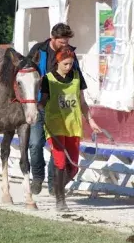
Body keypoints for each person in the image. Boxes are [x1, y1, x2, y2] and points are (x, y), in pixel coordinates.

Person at [38, 48, 102, 212]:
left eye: (71, 64)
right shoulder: (48, 79)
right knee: (59, 163)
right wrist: (36, 110)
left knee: (73, 167)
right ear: (57, 62)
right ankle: (61, 200)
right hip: (55, 126)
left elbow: (82, 102)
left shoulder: (76, 77)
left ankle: (57, 189)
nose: (68, 67)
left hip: (73, 126)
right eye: (65, 64)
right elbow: (43, 101)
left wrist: (91, 121)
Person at [26, 23, 85, 195]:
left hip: (60, 108)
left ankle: (53, 185)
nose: (64, 45)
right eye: (61, 42)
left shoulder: (70, 53)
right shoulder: (38, 49)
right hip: (40, 103)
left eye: (67, 41)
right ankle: (37, 177)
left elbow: (77, 77)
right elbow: (26, 70)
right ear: (52, 38)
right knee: (35, 143)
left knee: (57, 148)